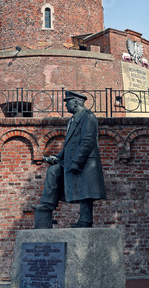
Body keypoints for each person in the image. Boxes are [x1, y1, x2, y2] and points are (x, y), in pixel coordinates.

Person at [34, 91, 106, 229]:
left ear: (76, 102)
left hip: (84, 161)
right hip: (71, 160)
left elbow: (87, 141)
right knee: (53, 170)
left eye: (67, 102)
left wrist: (76, 162)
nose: (66, 105)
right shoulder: (73, 119)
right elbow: (69, 144)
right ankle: (46, 206)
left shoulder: (88, 117)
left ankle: (85, 220)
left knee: (86, 192)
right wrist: (57, 157)